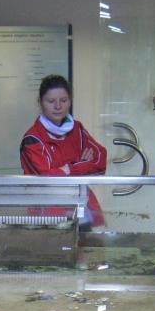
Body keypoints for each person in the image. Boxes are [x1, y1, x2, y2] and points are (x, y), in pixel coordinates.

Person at [20, 74, 107, 226]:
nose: (58, 106)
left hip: (82, 209)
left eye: (64, 100)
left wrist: (66, 169)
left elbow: (100, 163)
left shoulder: (77, 129)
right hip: (47, 214)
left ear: (70, 101)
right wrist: (82, 164)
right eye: (51, 101)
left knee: (87, 241)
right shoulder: (32, 139)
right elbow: (48, 181)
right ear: (40, 102)